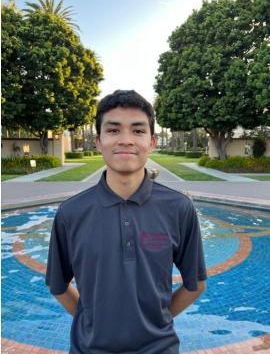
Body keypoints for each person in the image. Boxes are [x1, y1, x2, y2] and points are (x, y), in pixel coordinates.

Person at [46, 89, 207, 354]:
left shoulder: (179, 208)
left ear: (152, 142)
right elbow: (59, 286)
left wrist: (156, 322)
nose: (125, 140)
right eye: (113, 130)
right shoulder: (70, 213)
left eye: (138, 131)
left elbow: (195, 284)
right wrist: (92, 323)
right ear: (98, 141)